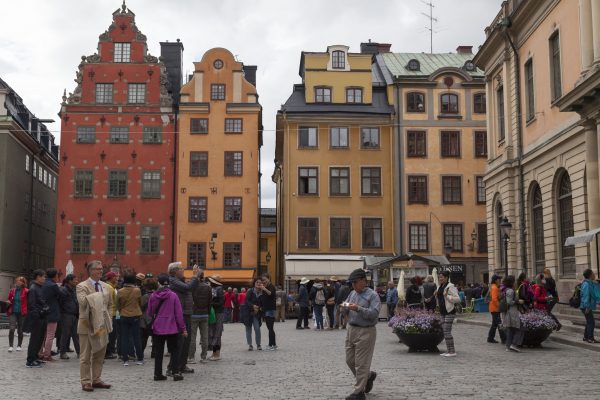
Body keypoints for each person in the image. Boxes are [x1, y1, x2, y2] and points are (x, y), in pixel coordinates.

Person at [343, 269, 380, 400]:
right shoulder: (352, 293)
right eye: (352, 283)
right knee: (349, 360)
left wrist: (358, 308)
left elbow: (374, 315)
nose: (353, 285)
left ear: (364, 281)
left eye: (355, 282)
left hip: (366, 331)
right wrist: (345, 307)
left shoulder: (373, 295)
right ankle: (368, 376)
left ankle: (359, 392)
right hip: (351, 329)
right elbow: (347, 304)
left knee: (361, 363)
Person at [77, 260, 113, 392]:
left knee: (100, 353)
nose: (100, 271)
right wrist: (99, 296)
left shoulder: (105, 286)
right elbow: (82, 302)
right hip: (87, 324)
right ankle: (86, 381)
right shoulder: (82, 286)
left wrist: (108, 318)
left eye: (101, 268)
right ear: (90, 271)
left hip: (101, 324)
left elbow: (109, 305)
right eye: (98, 269)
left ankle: (96, 379)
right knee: (85, 355)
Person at [147, 273, 186, 382]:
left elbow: (150, 312)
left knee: (158, 352)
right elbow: (179, 314)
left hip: (158, 327)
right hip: (172, 327)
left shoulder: (153, 296)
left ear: (158, 283)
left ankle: (157, 374)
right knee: (174, 350)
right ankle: (175, 372)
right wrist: (182, 328)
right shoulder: (173, 295)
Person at [168, 262, 200, 374]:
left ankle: (182, 365)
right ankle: (172, 367)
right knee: (179, 341)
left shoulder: (180, 280)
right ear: (175, 271)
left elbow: (192, 287)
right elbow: (188, 287)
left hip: (186, 313)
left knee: (186, 341)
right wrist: (195, 276)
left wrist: (196, 278)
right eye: (181, 269)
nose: (183, 270)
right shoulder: (173, 280)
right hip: (180, 314)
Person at [117, 273, 144, 366]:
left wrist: (122, 310)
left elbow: (118, 305)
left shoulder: (120, 291)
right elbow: (140, 302)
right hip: (135, 315)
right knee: (137, 337)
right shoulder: (137, 290)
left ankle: (125, 360)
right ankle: (140, 359)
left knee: (124, 337)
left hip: (124, 315)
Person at [435, 270, 461, 357]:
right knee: (445, 331)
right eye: (439, 277)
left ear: (446, 277)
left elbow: (458, 299)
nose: (440, 278)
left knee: (447, 331)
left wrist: (447, 296)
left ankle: (452, 351)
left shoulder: (451, 286)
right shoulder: (440, 286)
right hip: (442, 312)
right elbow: (440, 297)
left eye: (441, 277)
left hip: (449, 311)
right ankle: (449, 350)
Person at [25, 270, 47, 368]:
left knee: (40, 339)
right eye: (43, 277)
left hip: (42, 317)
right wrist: (38, 315)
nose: (44, 278)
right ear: (38, 277)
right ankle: (30, 360)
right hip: (37, 318)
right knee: (34, 339)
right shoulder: (33, 288)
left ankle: (35, 357)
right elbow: (32, 305)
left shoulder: (39, 287)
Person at [189, 272, 212, 364]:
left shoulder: (192, 287)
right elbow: (210, 302)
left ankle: (191, 357)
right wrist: (208, 312)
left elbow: (190, 300)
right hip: (204, 314)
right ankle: (203, 357)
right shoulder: (208, 287)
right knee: (205, 337)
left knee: (192, 337)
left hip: (194, 314)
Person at [39, 268, 61, 361]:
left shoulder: (42, 283)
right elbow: (59, 296)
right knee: (50, 335)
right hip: (52, 312)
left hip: (42, 312)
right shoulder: (53, 285)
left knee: (42, 335)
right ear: (55, 275)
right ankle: (47, 355)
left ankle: (39, 353)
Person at [59, 274, 80, 359]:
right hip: (66, 314)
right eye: (75, 280)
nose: (77, 281)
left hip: (75, 314)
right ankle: (62, 352)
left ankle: (80, 352)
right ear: (70, 281)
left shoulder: (74, 290)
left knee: (76, 334)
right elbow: (60, 303)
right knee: (65, 334)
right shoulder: (63, 290)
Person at [7, 276, 28, 353]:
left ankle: (19, 345)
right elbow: (9, 299)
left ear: (23, 283)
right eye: (17, 281)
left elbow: (29, 301)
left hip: (22, 313)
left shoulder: (26, 291)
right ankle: (11, 346)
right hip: (13, 312)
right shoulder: (12, 291)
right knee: (12, 328)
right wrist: (8, 302)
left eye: (20, 281)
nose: (18, 282)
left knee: (20, 330)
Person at [501, 275, 521, 352]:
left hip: (510, 311)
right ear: (512, 282)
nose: (515, 282)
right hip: (512, 311)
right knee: (519, 328)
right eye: (514, 281)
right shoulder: (510, 291)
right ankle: (514, 344)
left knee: (510, 329)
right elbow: (509, 302)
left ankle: (508, 346)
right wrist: (518, 301)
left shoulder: (508, 290)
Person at [242, 278, 263, 351]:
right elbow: (246, 301)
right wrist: (253, 306)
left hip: (256, 313)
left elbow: (262, 303)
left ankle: (258, 344)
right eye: (257, 282)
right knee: (248, 329)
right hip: (248, 312)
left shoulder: (262, 292)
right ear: (254, 283)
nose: (258, 283)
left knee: (257, 329)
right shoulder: (250, 291)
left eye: (260, 282)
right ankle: (250, 345)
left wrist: (258, 308)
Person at [580, 268, 600, 343]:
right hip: (585, 306)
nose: (594, 274)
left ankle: (586, 337)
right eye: (593, 273)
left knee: (589, 321)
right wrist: (587, 307)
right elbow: (586, 296)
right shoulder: (586, 284)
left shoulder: (589, 283)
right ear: (590, 275)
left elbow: (594, 293)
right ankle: (590, 338)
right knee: (591, 322)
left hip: (586, 306)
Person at [208, 275, 225, 360]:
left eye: (211, 281)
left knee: (217, 333)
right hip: (214, 312)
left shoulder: (219, 290)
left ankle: (217, 354)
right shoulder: (214, 289)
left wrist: (211, 304)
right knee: (213, 332)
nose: (210, 283)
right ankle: (214, 353)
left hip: (218, 313)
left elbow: (221, 303)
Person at [140, 279, 158, 358]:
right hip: (155, 319)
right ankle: (154, 353)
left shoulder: (144, 296)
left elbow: (140, 307)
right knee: (155, 337)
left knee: (143, 337)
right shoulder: (158, 295)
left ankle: (141, 352)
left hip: (145, 320)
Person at [104, 271, 119, 360]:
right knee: (111, 334)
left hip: (114, 313)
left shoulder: (111, 287)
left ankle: (111, 350)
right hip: (112, 314)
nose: (116, 278)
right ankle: (108, 351)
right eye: (115, 277)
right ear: (111, 278)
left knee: (113, 333)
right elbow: (113, 303)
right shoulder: (109, 287)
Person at [260, 273, 277, 350]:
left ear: (268, 278)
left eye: (264, 280)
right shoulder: (266, 286)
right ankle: (273, 344)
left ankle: (271, 345)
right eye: (262, 280)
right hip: (266, 309)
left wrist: (264, 289)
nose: (263, 281)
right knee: (269, 328)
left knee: (270, 327)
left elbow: (271, 294)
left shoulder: (271, 286)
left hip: (270, 309)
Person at [487, 274, 506, 344]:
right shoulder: (494, 288)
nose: (500, 280)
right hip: (495, 308)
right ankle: (504, 339)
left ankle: (490, 338)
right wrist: (499, 307)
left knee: (494, 324)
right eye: (499, 279)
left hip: (493, 308)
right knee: (499, 324)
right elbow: (494, 299)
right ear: (496, 280)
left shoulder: (494, 287)